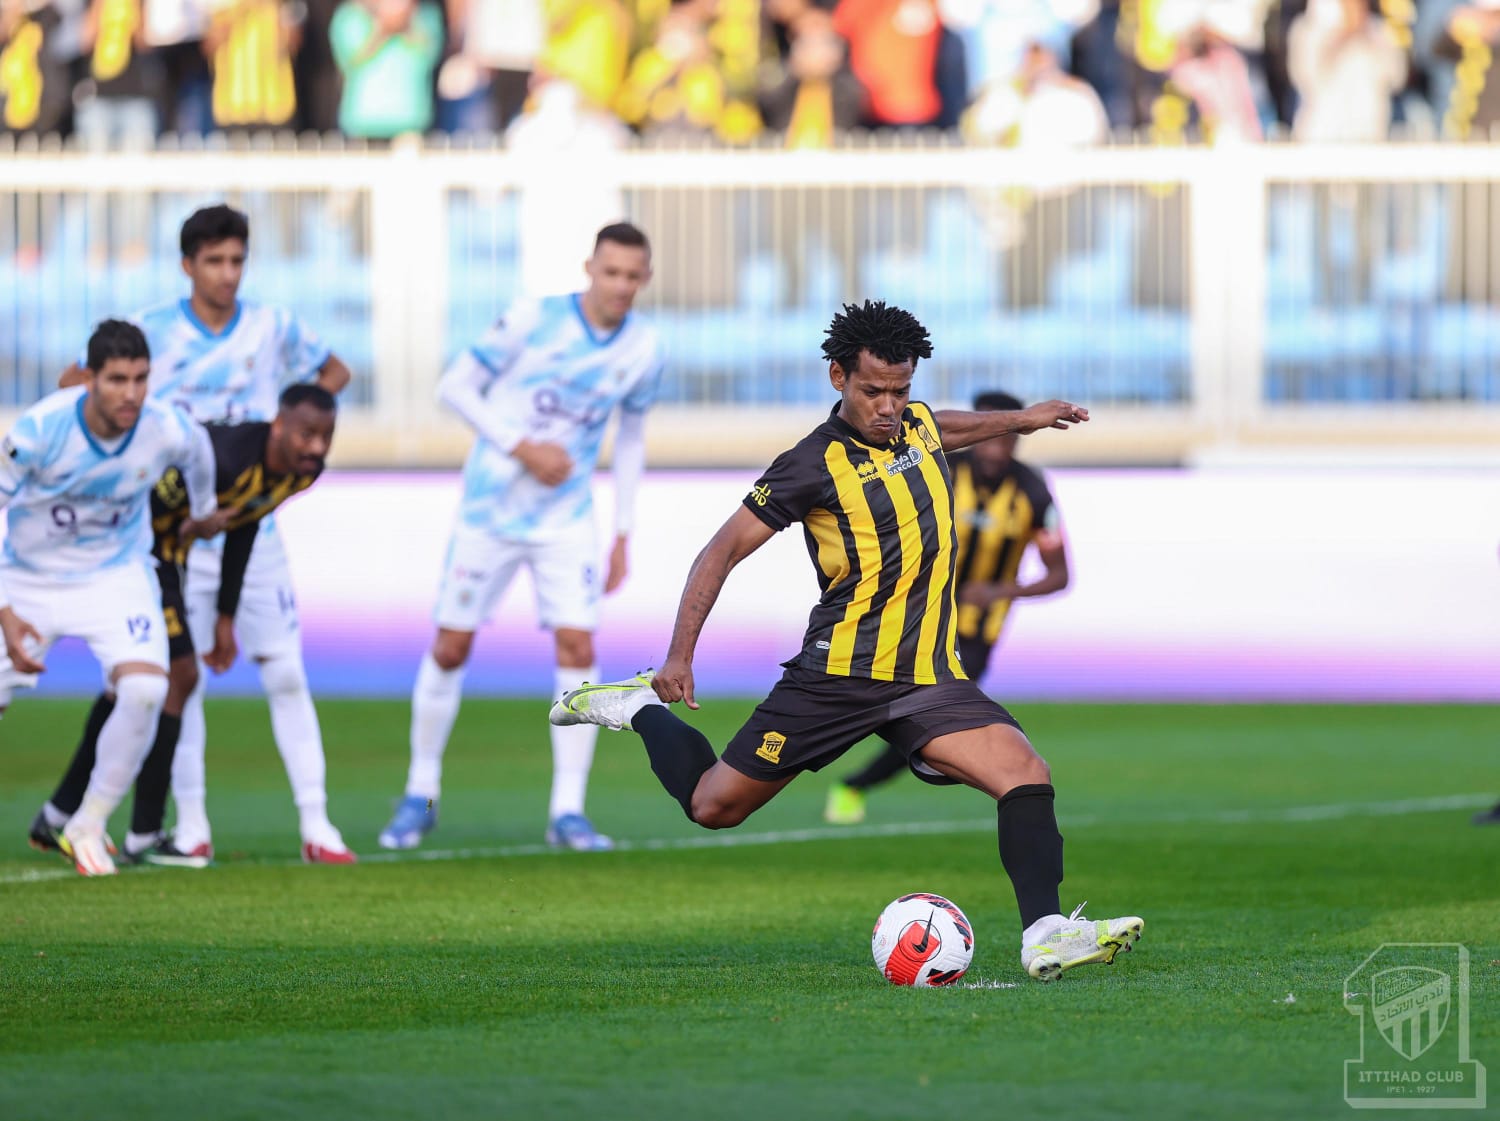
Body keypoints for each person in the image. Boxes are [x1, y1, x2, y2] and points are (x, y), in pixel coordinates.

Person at [552, 300, 1143, 982]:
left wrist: (1022, 418)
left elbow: (943, 426)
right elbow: (719, 552)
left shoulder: (916, 423)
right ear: (837, 376)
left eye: (900, 390)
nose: (889, 406)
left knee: (1025, 773)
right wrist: (680, 653)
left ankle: (1045, 932)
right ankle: (635, 709)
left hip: (924, 676)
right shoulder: (809, 465)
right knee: (714, 805)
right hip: (833, 678)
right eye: (872, 391)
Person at [56, 203, 356, 864]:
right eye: (214, 261)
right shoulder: (153, 329)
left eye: (238, 260)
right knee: (180, 677)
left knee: (283, 669)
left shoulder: (273, 325)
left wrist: (289, 422)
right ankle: (191, 824)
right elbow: (74, 383)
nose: (227, 274)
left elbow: (334, 374)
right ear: (188, 265)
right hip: (176, 530)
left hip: (251, 522)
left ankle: (318, 824)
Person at [379, 221, 663, 853]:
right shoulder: (532, 318)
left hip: (566, 521)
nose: (619, 285)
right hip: (490, 511)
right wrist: (522, 446)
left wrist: (622, 531)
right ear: (589, 267)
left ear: (645, 279)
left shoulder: (644, 348)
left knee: (577, 644)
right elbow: (453, 386)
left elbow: (633, 439)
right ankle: (419, 794)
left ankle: (567, 811)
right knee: (451, 648)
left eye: (631, 276)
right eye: (609, 272)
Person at [32, 384, 340, 867]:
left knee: (134, 688)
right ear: (279, 426)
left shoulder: (301, 473)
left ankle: (59, 813)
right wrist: (192, 527)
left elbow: (245, 523)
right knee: (174, 678)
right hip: (135, 555)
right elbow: (149, 505)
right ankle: (140, 832)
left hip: (171, 560)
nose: (317, 448)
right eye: (307, 435)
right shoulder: (224, 458)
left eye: (326, 437)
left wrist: (224, 618)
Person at [3, 320, 217, 877]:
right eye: (117, 379)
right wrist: (3, 610)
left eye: (141, 379)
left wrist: (203, 508)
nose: (131, 393)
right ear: (88, 380)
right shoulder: (38, 431)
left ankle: (88, 823)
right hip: (27, 579)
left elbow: (199, 452)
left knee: (148, 686)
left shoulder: (164, 426)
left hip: (114, 576)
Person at [824, 388, 1069, 826]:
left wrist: (997, 593)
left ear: (1016, 434)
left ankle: (857, 784)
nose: (997, 443)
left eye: (1007, 434)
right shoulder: (941, 468)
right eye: (989, 431)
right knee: (875, 694)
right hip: (916, 611)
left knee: (934, 717)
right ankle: (837, 766)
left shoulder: (1032, 490)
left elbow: (1059, 575)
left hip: (975, 632)